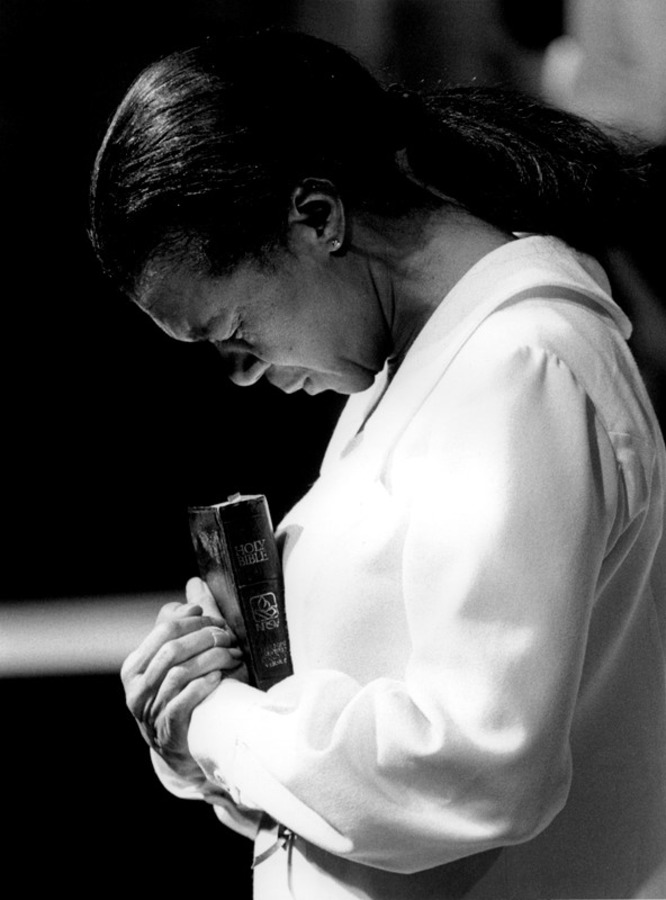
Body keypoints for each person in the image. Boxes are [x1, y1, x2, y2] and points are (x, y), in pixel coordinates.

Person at [90, 29, 666, 899]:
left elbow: (477, 768)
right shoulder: (411, 375)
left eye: (233, 331)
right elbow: (375, 783)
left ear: (317, 218)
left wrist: (224, 724)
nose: (240, 373)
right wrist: (204, 703)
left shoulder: (519, 365)